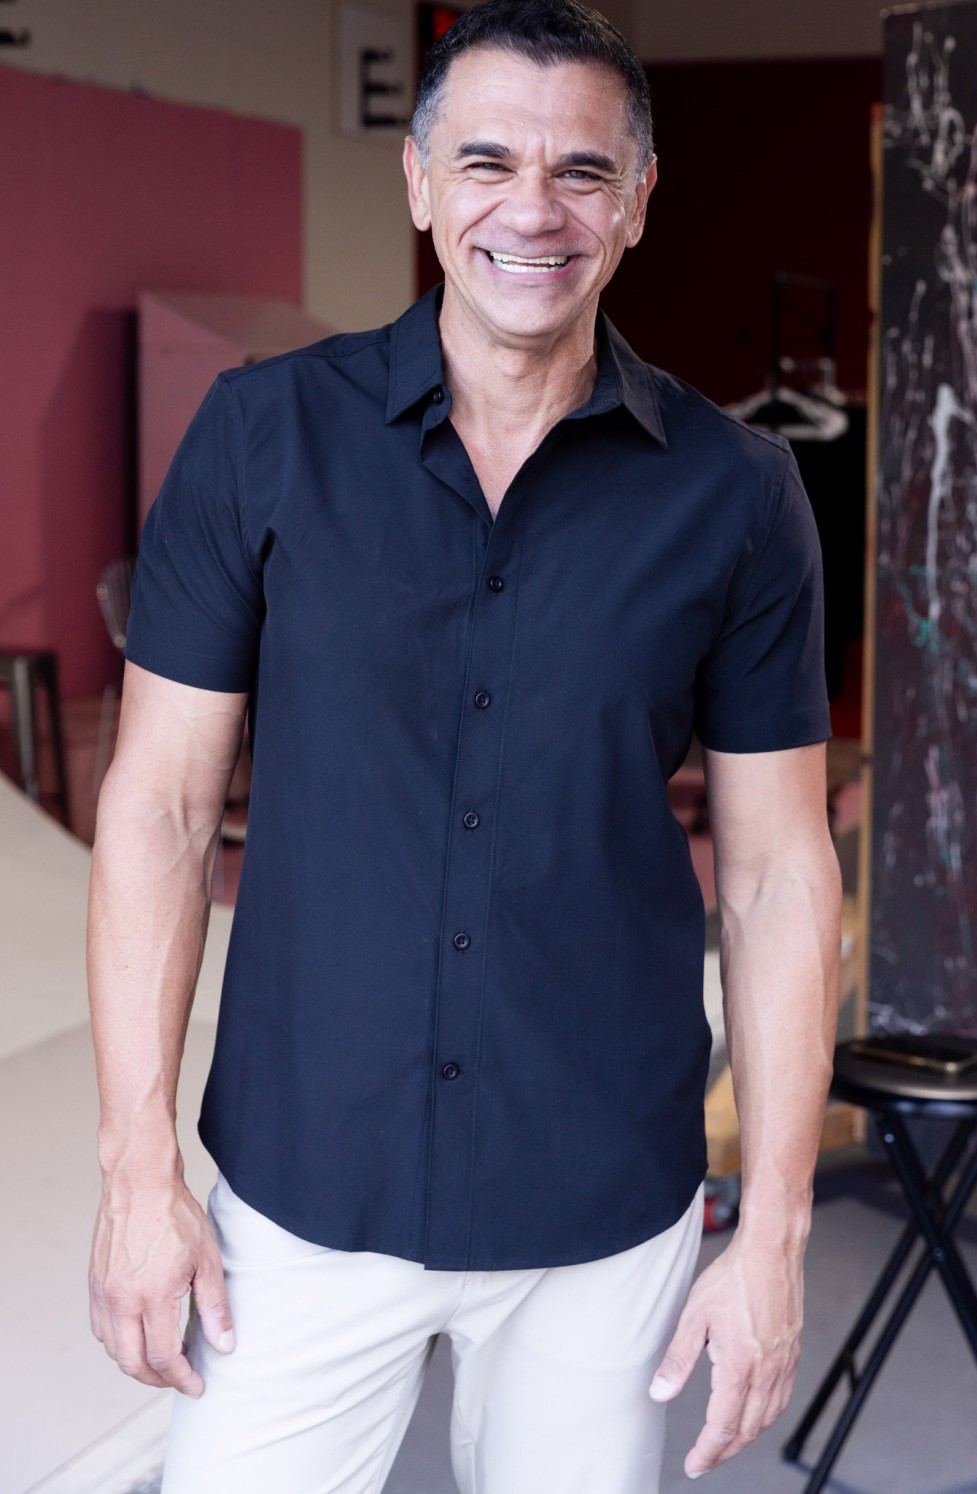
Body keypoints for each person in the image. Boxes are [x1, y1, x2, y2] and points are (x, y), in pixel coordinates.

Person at [86, 2, 841, 1489]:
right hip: (306, 1188)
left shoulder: (740, 496)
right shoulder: (260, 436)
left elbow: (778, 876)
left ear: (637, 201)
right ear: (421, 181)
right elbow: (160, 809)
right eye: (487, 161)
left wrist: (776, 1232)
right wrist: (136, 1168)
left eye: (582, 171)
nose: (531, 210)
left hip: (600, 1199)